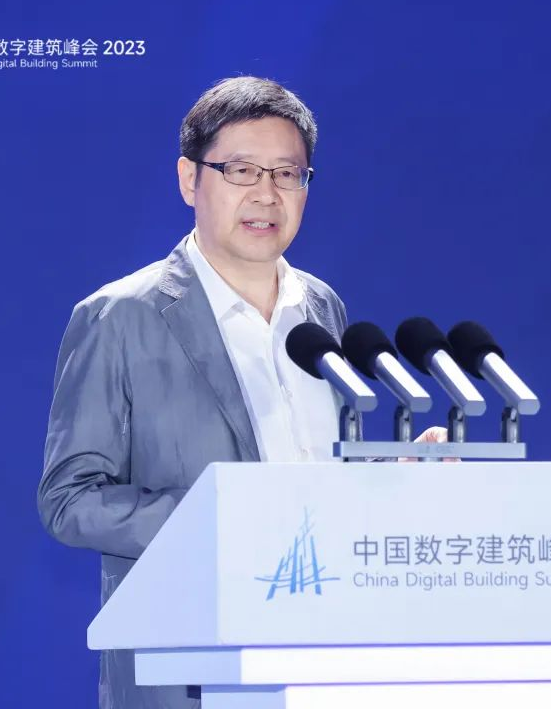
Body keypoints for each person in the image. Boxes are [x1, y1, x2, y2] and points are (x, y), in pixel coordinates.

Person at [37, 76, 444, 709]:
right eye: (241, 170)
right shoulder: (120, 316)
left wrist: (387, 477)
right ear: (189, 179)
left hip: (328, 656)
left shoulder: (321, 308)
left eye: (287, 174)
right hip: (196, 666)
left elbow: (318, 474)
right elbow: (69, 500)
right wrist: (227, 522)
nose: (266, 194)